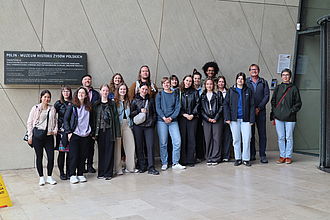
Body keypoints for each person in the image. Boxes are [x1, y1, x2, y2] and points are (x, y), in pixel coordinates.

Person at [271, 68, 302, 164]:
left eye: (287, 75)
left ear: (290, 76)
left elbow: (298, 103)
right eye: (283, 75)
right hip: (279, 117)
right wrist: (275, 113)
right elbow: (273, 101)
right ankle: (282, 156)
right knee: (281, 137)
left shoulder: (294, 88)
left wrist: (291, 111)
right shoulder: (278, 88)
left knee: (289, 137)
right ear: (281, 77)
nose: (285, 77)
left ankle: (288, 156)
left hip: (290, 118)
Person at [27, 90, 58, 186]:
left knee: (51, 157)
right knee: (39, 157)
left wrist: (55, 130)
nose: (47, 99)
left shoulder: (52, 108)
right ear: (41, 98)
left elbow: (56, 121)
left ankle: (49, 176)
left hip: (49, 136)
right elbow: (30, 122)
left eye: (48, 97)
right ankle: (41, 177)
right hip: (37, 136)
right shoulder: (35, 108)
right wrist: (30, 136)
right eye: (45, 97)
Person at [224, 72, 255, 167]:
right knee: (236, 139)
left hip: (246, 120)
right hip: (234, 119)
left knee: (246, 139)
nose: (240, 80)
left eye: (242, 79)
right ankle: (238, 158)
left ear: (244, 80)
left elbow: (252, 105)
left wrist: (252, 119)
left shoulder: (248, 91)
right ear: (236, 80)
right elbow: (226, 104)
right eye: (238, 78)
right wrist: (227, 117)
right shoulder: (231, 90)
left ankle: (246, 159)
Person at [156, 77, 186, 170]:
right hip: (162, 121)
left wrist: (171, 117)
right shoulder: (159, 94)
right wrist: (164, 118)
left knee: (177, 141)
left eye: (168, 82)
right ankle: (164, 162)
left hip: (173, 121)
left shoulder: (175, 94)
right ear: (162, 85)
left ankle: (175, 162)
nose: (166, 84)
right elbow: (158, 108)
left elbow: (178, 107)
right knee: (163, 143)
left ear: (170, 83)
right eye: (164, 83)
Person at [92, 84, 121, 180]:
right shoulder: (96, 104)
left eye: (107, 91)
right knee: (101, 151)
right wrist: (93, 133)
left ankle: (108, 173)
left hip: (110, 130)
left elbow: (116, 118)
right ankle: (101, 172)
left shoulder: (112, 104)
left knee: (109, 151)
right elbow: (93, 119)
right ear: (100, 91)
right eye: (103, 90)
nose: (105, 92)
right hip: (99, 131)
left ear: (109, 92)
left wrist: (117, 133)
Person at [64, 87, 92, 184]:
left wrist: (91, 132)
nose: (81, 94)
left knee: (83, 155)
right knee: (74, 155)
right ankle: (72, 175)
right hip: (75, 134)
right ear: (76, 94)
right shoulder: (72, 106)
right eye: (79, 92)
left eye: (83, 93)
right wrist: (69, 132)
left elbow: (92, 120)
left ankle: (80, 174)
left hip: (86, 134)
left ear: (85, 95)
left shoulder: (88, 106)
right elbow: (66, 119)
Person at [130, 83, 159, 175]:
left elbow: (154, 113)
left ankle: (151, 167)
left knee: (150, 146)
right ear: (139, 90)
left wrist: (152, 122)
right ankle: (142, 166)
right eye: (143, 89)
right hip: (138, 126)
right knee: (139, 146)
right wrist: (139, 111)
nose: (144, 91)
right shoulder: (134, 100)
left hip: (149, 126)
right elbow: (130, 114)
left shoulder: (151, 100)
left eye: (146, 89)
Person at [246, 64, 270, 163]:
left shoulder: (263, 82)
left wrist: (259, 108)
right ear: (249, 71)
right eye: (252, 69)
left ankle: (262, 155)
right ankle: (252, 154)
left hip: (261, 112)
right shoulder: (246, 82)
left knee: (262, 134)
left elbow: (267, 96)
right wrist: (251, 109)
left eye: (255, 69)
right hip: (249, 112)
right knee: (250, 134)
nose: (254, 71)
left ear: (259, 70)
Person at [114, 83, 138, 174]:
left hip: (127, 124)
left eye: (124, 89)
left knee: (130, 145)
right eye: (121, 89)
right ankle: (118, 169)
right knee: (117, 147)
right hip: (118, 125)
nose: (123, 91)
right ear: (118, 90)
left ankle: (130, 167)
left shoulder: (129, 101)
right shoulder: (114, 102)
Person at [200, 78, 223, 165]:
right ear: (205, 85)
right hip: (206, 120)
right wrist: (207, 118)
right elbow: (201, 109)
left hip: (217, 119)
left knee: (216, 138)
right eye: (207, 84)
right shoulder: (202, 96)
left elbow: (221, 106)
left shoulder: (218, 94)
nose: (209, 86)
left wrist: (216, 117)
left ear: (213, 85)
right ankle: (209, 157)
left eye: (211, 84)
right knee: (208, 138)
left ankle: (216, 157)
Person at [179, 75, 199, 166]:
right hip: (182, 118)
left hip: (192, 118)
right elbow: (177, 105)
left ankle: (191, 160)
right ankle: (183, 160)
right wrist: (184, 114)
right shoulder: (179, 92)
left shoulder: (195, 92)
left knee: (192, 139)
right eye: (187, 80)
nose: (188, 82)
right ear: (183, 81)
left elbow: (198, 104)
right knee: (183, 138)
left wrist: (192, 114)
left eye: (190, 81)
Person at [81, 74, 100, 173]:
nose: (87, 81)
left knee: (91, 146)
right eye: (85, 79)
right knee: (82, 146)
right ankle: (82, 165)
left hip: (92, 122)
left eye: (89, 79)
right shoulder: (79, 93)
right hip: (81, 123)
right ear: (82, 81)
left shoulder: (96, 94)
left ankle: (90, 165)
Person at [54, 86, 72, 180]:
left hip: (70, 131)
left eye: (68, 91)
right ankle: (62, 172)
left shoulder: (73, 102)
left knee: (70, 153)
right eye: (64, 91)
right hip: (61, 131)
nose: (66, 93)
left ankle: (69, 172)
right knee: (62, 153)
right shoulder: (58, 103)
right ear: (62, 93)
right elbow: (53, 116)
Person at [217, 76, 232, 162]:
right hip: (217, 117)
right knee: (218, 137)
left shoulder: (229, 92)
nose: (221, 83)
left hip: (226, 117)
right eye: (219, 82)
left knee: (227, 136)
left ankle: (226, 155)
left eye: (222, 82)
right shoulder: (214, 92)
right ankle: (219, 155)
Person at [192, 69, 205, 161]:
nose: (197, 80)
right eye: (195, 78)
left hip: (201, 115)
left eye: (198, 78)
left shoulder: (203, 90)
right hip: (192, 115)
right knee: (192, 136)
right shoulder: (190, 89)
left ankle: (200, 155)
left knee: (200, 136)